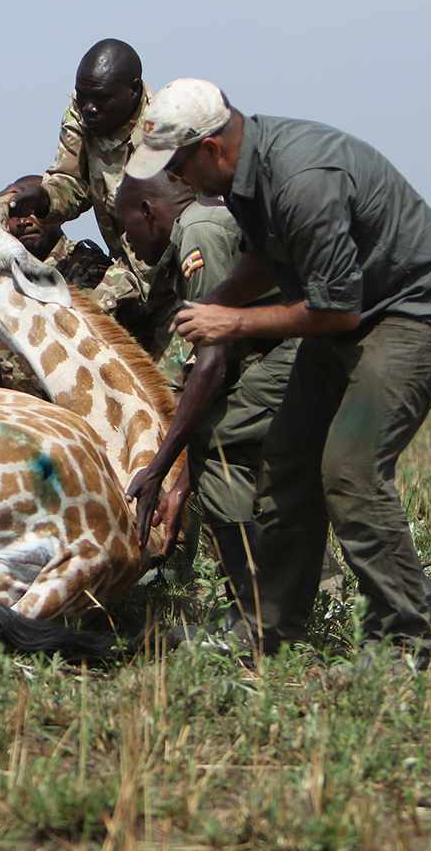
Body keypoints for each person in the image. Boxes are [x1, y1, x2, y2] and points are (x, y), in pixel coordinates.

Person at [126, 78, 431, 669]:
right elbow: (267, 261)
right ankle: (272, 627)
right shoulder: (244, 177)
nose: (178, 179)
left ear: (211, 149)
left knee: (349, 468)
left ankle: (403, 641)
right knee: (288, 459)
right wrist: (217, 300)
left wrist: (232, 323)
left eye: (180, 164)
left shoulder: (301, 181)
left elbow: (336, 310)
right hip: (352, 309)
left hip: (416, 313)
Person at [114, 173, 297, 632]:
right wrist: (180, 486)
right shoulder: (204, 224)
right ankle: (265, 606)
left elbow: (214, 365)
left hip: (296, 353)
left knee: (216, 446)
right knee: (217, 447)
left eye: (126, 229)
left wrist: (159, 470)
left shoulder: (199, 233)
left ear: (148, 212)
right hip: (281, 354)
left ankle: (253, 619)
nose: (129, 245)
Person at [8, 39, 175, 355]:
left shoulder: (164, 133)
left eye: (100, 99)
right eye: (83, 97)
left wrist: (93, 309)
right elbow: (71, 182)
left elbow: (155, 250)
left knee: (170, 392)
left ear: (133, 90)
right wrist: (44, 199)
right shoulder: (83, 109)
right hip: (126, 284)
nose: (89, 108)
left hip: (177, 286)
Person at [0, 176, 112, 397]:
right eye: (13, 215)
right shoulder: (0, 274)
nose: (24, 222)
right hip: (19, 406)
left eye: (32, 211)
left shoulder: (87, 265)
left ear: (55, 212)